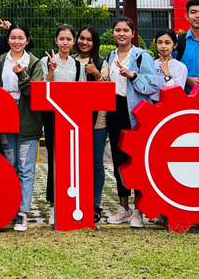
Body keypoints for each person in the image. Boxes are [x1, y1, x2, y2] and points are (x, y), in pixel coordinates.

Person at [105, 16, 162, 229]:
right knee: (119, 160)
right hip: (114, 111)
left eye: (125, 30)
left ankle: (139, 210)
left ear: (132, 34)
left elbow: (152, 87)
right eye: (117, 30)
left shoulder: (141, 56)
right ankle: (123, 207)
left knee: (136, 160)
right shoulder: (110, 56)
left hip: (134, 113)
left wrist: (132, 75)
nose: (121, 33)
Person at [0, 23, 44, 232]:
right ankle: (10, 209)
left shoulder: (34, 63)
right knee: (10, 166)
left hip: (28, 121)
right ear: (7, 40)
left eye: (21, 37)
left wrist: (22, 75)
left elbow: (35, 92)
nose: (16, 41)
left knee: (26, 168)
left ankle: (22, 213)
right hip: (5, 117)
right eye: (13, 37)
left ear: (27, 40)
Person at [39, 24, 85, 226]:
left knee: (72, 161)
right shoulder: (46, 61)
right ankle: (52, 206)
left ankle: (72, 202)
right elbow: (42, 89)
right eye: (61, 39)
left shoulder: (79, 65)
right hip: (52, 116)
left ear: (74, 42)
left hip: (73, 118)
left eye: (69, 39)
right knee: (54, 160)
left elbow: (83, 92)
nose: (65, 42)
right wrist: (51, 71)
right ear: (56, 41)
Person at [75, 26, 108, 221]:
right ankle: (77, 200)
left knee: (96, 164)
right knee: (76, 163)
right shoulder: (69, 61)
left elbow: (107, 91)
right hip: (73, 120)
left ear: (95, 42)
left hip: (97, 121)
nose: (84, 42)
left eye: (89, 39)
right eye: (81, 38)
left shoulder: (101, 62)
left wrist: (96, 73)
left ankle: (95, 204)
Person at [152, 29, 188, 101]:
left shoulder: (180, 67)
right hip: (149, 104)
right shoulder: (152, 63)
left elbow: (177, 94)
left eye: (167, 43)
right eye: (160, 42)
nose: (163, 46)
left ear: (175, 45)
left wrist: (167, 74)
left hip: (169, 105)